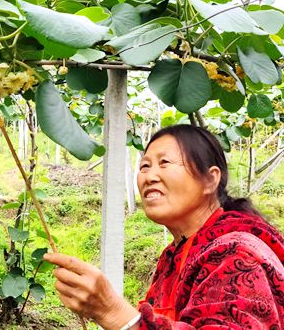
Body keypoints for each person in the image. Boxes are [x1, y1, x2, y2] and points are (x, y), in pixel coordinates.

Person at [44, 124, 284, 329]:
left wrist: (115, 313)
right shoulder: (176, 254)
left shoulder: (237, 254)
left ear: (211, 179)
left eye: (164, 163)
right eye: (145, 166)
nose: (149, 176)